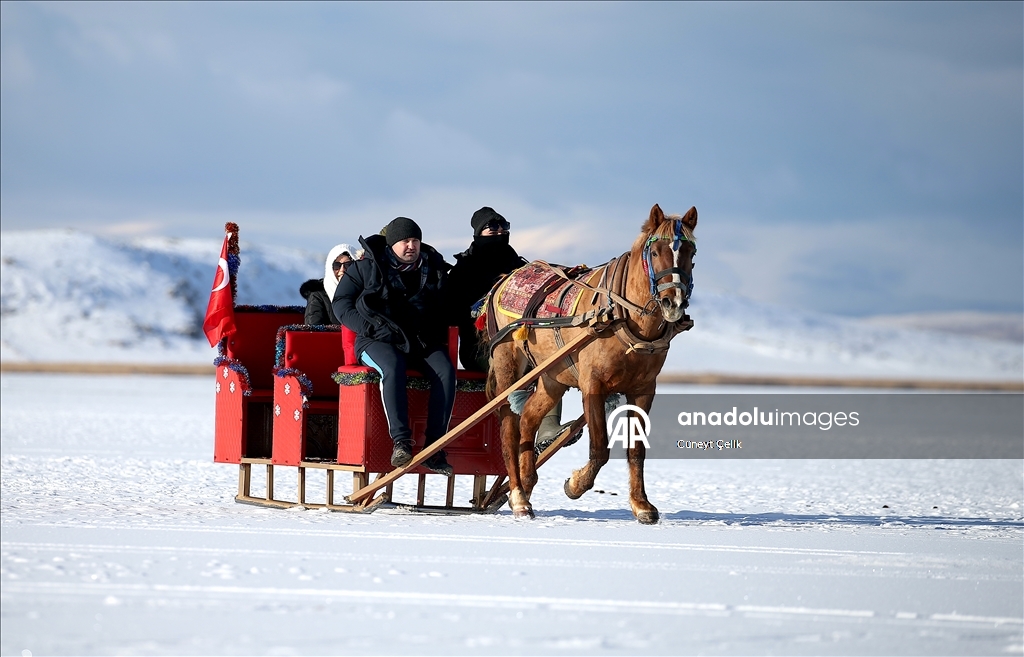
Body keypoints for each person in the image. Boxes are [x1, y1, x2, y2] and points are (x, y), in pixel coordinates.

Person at [333, 217, 456, 474]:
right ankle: (401, 442)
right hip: (375, 339)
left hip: (419, 341)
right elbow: (341, 303)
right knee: (392, 366)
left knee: (446, 371)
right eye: (404, 241)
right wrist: (369, 328)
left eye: (415, 241)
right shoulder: (365, 267)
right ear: (391, 244)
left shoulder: (433, 268)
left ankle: (434, 447)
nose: (411, 246)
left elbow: (447, 306)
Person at [446, 207, 570, 453]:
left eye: (504, 226)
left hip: (521, 342)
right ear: (479, 232)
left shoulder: (518, 266)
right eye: (493, 227)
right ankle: (526, 426)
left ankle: (548, 428)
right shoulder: (464, 270)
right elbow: (454, 313)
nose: (500, 231)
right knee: (516, 368)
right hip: (480, 348)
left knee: (549, 363)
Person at [300, 243, 362, 325]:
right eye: (337, 265)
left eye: (348, 265)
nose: (342, 270)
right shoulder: (318, 295)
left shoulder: (366, 292)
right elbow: (314, 331)